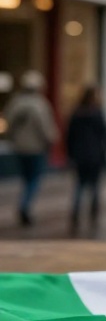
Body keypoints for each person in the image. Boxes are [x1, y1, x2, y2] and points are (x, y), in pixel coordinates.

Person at [5, 71, 57, 227]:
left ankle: (24, 204)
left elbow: (8, 123)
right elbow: (45, 128)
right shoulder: (40, 104)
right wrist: (51, 140)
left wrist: (12, 139)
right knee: (33, 179)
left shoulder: (15, 102)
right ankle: (25, 205)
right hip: (36, 148)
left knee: (26, 178)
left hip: (19, 147)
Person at [65, 85, 106, 235]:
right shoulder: (98, 113)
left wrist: (70, 154)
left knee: (80, 185)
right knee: (94, 186)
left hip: (79, 156)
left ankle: (76, 212)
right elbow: (105, 134)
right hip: (95, 156)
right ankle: (93, 212)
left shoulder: (77, 113)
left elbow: (69, 136)